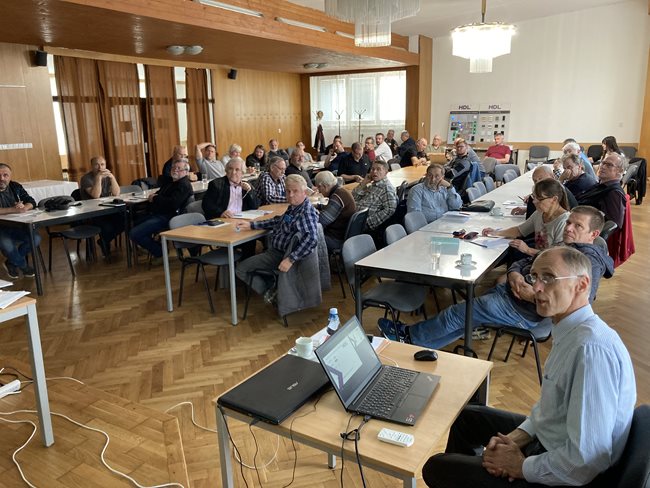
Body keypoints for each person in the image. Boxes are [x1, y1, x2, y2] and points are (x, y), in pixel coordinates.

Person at [421, 246, 634, 488]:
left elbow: (584, 463)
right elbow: (550, 410)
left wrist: (519, 466)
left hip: (569, 476)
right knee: (467, 417)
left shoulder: (591, 350)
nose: (537, 288)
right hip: (553, 442)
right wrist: (511, 440)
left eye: (549, 278)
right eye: (534, 277)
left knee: (437, 467)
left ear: (582, 285)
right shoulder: (570, 330)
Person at [379, 206, 614, 351]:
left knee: (460, 312)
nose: (569, 227)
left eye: (577, 226)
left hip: (527, 312)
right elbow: (525, 262)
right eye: (569, 222)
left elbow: (580, 302)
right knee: (468, 315)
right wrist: (513, 275)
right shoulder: (567, 245)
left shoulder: (587, 261)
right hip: (515, 295)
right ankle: (419, 342)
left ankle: (408, 336)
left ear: (593, 234)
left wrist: (532, 294)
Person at [235, 174, 319, 302]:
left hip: (281, 256)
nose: (290, 195)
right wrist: (251, 224)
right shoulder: (294, 207)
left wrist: (291, 259)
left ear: (304, 192)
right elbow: (277, 221)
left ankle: (271, 292)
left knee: (241, 269)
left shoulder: (306, 212)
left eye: (295, 191)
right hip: (275, 252)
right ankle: (275, 285)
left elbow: (312, 239)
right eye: (288, 191)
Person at [483, 179, 570, 257]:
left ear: (554, 199)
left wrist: (527, 250)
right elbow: (519, 230)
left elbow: (556, 256)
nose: (534, 202)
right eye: (534, 197)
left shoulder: (564, 221)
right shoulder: (539, 213)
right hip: (537, 259)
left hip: (549, 264)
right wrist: (496, 233)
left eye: (539, 199)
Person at [129, 160, 193, 259]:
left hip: (169, 217)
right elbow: (160, 193)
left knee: (135, 233)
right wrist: (156, 197)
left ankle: (160, 251)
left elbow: (173, 204)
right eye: (173, 168)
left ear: (186, 172)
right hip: (156, 213)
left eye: (179, 169)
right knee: (131, 223)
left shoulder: (183, 185)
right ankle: (155, 245)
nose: (175, 170)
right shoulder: (170, 182)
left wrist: (155, 198)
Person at [79, 156, 123, 257]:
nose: (100, 167)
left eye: (102, 164)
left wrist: (112, 177)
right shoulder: (86, 178)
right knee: (107, 227)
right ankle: (104, 242)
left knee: (124, 220)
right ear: (91, 166)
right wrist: (98, 178)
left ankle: (104, 240)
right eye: (96, 165)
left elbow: (116, 193)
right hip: (92, 212)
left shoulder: (107, 176)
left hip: (107, 209)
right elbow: (95, 195)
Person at [0, 163, 39, 278]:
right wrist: (12, 209)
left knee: (35, 238)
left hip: (17, 226)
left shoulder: (15, 186)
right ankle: (23, 266)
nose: (1, 178)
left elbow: (31, 201)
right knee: (7, 244)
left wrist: (24, 208)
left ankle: (11, 262)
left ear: (10, 176)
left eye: (5, 175)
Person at [577, 152, 626, 229]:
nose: (603, 167)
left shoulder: (614, 193)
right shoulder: (600, 185)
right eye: (603, 163)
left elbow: (613, 224)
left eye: (609, 165)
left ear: (619, 171)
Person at [510, 165, 578, 218]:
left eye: (540, 179)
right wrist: (526, 209)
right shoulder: (556, 188)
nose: (538, 183)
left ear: (552, 176)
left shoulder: (556, 193)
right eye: (535, 181)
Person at [313, 171, 356, 250]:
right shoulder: (341, 191)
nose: (319, 191)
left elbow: (322, 220)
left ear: (325, 186)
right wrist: (318, 206)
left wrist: (308, 215)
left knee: (305, 236)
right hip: (342, 235)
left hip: (336, 239)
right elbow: (332, 208)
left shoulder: (337, 196)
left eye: (319, 187)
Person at [352, 160, 398, 232]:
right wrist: (364, 183)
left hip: (361, 224)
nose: (374, 172)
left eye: (378, 169)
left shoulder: (386, 188)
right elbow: (354, 197)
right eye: (372, 169)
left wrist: (368, 223)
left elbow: (390, 209)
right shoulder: (372, 184)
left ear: (386, 172)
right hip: (353, 217)